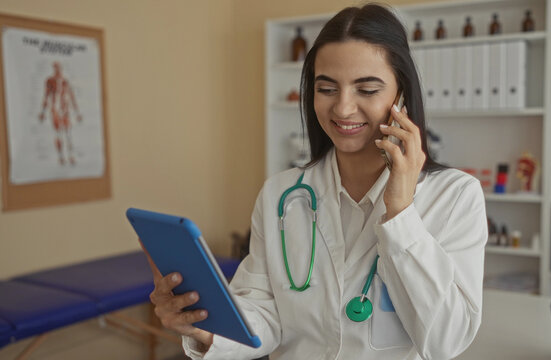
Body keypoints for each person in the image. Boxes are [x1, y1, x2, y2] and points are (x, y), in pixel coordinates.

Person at [146, 4, 487, 360]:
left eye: (366, 90)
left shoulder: (454, 196)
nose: (342, 108)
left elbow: (447, 340)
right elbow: (264, 314)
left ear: (400, 97)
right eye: (327, 88)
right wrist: (204, 328)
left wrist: (400, 214)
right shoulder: (281, 194)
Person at [38, 61, 82, 166]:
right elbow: (46, 96)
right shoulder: (50, 81)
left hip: (65, 110)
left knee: (68, 134)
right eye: (56, 68)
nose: (58, 70)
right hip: (55, 110)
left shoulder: (65, 81)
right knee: (58, 134)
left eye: (59, 68)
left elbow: (71, 97)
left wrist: (77, 113)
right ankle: (61, 157)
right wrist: (43, 112)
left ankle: (70, 156)